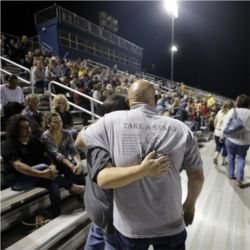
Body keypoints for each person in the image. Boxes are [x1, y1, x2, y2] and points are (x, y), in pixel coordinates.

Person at [76, 80, 204, 250]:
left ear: (129, 102)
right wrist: (189, 205)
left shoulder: (111, 121)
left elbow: (79, 142)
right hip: (171, 223)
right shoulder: (181, 128)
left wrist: (105, 135)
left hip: (130, 228)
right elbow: (196, 176)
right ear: (156, 99)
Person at [1, 114, 80, 219]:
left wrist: (52, 166)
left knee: (53, 185)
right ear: (15, 129)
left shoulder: (34, 141)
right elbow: (18, 166)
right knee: (43, 167)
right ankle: (71, 186)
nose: (27, 129)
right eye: (22, 127)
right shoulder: (9, 144)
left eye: (28, 126)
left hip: (36, 177)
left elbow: (47, 157)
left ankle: (57, 215)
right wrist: (42, 173)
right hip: (18, 180)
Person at [41, 111, 85, 191]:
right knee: (69, 167)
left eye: (60, 121)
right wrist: (71, 165)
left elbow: (73, 151)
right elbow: (57, 155)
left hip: (65, 162)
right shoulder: (46, 137)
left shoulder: (67, 134)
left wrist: (79, 163)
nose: (59, 124)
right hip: (53, 163)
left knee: (77, 167)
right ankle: (75, 190)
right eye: (55, 122)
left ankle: (84, 191)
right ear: (48, 124)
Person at [221, 94, 250, 188]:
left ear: (238, 102)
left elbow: (225, 125)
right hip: (245, 141)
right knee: (241, 158)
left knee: (231, 157)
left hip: (231, 139)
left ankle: (231, 174)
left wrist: (222, 136)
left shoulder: (232, 111)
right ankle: (240, 179)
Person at [213, 100, 234, 165]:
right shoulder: (231, 114)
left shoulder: (219, 112)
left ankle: (215, 157)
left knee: (218, 145)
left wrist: (216, 129)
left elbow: (215, 121)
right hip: (225, 133)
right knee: (225, 147)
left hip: (217, 132)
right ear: (231, 107)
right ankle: (224, 161)